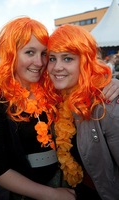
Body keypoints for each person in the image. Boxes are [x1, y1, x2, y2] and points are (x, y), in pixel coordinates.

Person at [0, 17, 76, 200]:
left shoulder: (53, 86)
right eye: (30, 52)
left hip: (65, 181)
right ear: (11, 54)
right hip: (26, 194)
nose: (40, 62)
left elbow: (84, 84)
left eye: (44, 54)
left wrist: (111, 83)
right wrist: (52, 195)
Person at [46, 24, 119, 200]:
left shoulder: (105, 103)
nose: (57, 67)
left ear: (85, 61)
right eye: (52, 58)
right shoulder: (58, 96)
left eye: (68, 58)